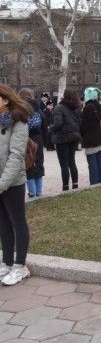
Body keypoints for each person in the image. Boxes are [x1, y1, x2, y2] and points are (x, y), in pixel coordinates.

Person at [0, 84, 32, 285]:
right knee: (3, 224)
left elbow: (16, 155)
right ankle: (7, 262)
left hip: (13, 181)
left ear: (5, 100)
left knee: (17, 222)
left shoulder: (18, 121)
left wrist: (3, 183)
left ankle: (20, 266)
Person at [50, 89, 82, 191]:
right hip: (73, 137)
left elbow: (58, 124)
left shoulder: (58, 108)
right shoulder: (77, 107)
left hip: (62, 138)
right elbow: (79, 122)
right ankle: (75, 185)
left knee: (64, 164)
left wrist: (50, 128)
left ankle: (65, 187)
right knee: (72, 161)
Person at [17, 88, 45, 197]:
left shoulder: (20, 108)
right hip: (38, 139)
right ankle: (39, 192)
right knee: (39, 164)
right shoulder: (38, 108)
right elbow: (44, 124)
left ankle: (32, 192)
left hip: (26, 139)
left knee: (29, 165)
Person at [80, 87, 101, 185]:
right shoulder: (99, 106)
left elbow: (84, 125)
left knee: (92, 163)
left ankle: (94, 183)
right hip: (99, 137)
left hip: (90, 139)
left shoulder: (87, 108)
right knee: (100, 161)